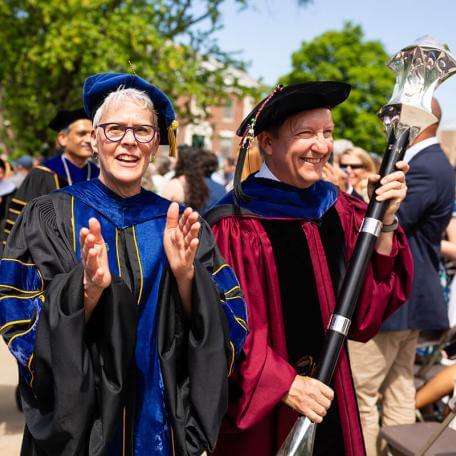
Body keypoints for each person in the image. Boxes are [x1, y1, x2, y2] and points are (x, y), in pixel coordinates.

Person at [0, 73, 247, 455]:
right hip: (80, 426)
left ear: (156, 144)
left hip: (159, 424)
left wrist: (186, 279)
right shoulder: (48, 215)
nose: (129, 141)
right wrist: (85, 292)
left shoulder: (178, 222)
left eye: (143, 131)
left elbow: (229, 320)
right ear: (94, 139)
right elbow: (19, 313)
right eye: (115, 129)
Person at [204, 81, 413, 455]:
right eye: (307, 134)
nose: (322, 146)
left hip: (333, 399)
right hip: (267, 412)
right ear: (267, 143)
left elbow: (364, 315)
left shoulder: (338, 208)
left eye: (328, 133)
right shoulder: (233, 225)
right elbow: (221, 328)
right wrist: (284, 384)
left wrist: (387, 223)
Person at [349, 98, 455, 455]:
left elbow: (391, 226)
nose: (387, 125)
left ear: (418, 119)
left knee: (361, 394)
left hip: (392, 294)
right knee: (398, 389)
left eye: (393, 117)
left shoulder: (424, 166)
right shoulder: (433, 162)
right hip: (410, 296)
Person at [0, 109, 99, 250]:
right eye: (81, 134)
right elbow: (19, 222)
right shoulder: (42, 175)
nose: (88, 140)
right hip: (50, 260)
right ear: (63, 139)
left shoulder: (99, 175)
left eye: (92, 134)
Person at [162, 145, 209, 210]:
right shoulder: (198, 183)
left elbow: (160, 209)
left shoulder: (174, 184)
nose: (170, 159)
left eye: (174, 157)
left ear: (182, 161)